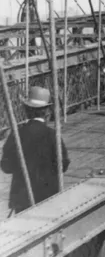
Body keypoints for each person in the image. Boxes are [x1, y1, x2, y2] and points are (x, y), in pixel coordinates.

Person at [1, 86, 70, 214]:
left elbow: (6, 166)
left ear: (26, 110)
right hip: (49, 196)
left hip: (22, 198)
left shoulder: (16, 134)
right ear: (47, 111)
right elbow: (63, 165)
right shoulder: (52, 135)